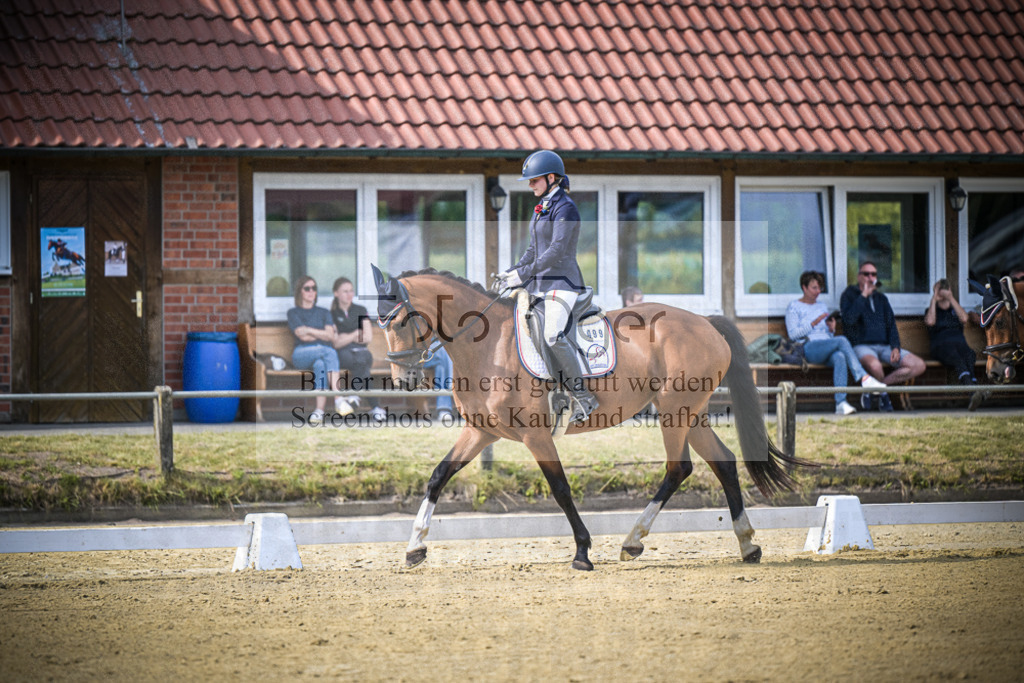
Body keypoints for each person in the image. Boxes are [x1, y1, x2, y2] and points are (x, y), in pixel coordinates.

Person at [494, 150, 598, 424]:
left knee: (552, 334)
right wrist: (513, 272)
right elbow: (533, 249)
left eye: (533, 180)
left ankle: (583, 397)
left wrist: (524, 275)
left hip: (563, 283)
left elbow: (555, 251)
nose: (530, 185)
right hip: (541, 285)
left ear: (552, 178)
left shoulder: (566, 207)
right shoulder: (543, 207)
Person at [786, 271, 886, 415]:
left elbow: (825, 333)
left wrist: (831, 330)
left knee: (840, 356)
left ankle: (841, 403)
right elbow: (793, 335)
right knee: (842, 340)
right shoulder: (794, 307)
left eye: (820, 288)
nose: (818, 291)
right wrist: (813, 323)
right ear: (804, 287)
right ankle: (864, 378)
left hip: (826, 346)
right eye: (814, 288)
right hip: (808, 348)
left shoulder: (821, 306)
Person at [840, 260, 926, 412]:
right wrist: (864, 296)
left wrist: (895, 347)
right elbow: (849, 319)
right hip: (862, 345)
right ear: (859, 276)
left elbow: (891, 324)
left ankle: (876, 389)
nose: (870, 277)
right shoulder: (849, 295)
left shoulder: (881, 299)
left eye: (873, 274)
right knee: (875, 366)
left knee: (918, 365)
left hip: (885, 346)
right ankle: (883, 398)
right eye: (866, 274)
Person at [330, 277, 386, 421]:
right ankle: (372, 406)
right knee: (363, 365)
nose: (349, 294)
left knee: (363, 360)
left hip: (361, 352)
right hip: (343, 354)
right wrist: (355, 333)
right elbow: (335, 343)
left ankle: (356, 396)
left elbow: (367, 337)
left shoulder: (361, 310)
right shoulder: (332, 314)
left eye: (351, 291)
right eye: (345, 291)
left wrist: (345, 336)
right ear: (336, 293)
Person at [287, 276, 341, 426]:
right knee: (329, 352)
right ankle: (339, 398)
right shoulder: (293, 313)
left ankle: (319, 411)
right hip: (301, 354)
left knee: (320, 365)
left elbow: (330, 336)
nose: (311, 291)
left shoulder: (324, 312)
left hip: (319, 355)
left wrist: (309, 330)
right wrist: (321, 334)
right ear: (300, 292)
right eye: (307, 288)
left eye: (314, 288)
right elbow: (301, 336)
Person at [924, 278, 983, 409]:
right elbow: (930, 322)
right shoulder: (931, 309)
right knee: (957, 358)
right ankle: (974, 391)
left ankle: (974, 391)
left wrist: (951, 298)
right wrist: (934, 300)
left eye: (945, 289)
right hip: (940, 347)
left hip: (959, 345)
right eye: (940, 290)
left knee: (970, 354)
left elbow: (964, 318)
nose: (943, 293)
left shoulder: (955, 308)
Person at [421, 345, 455, 422]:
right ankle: (444, 406)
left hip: (440, 348)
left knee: (441, 363)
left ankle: (444, 407)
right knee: (443, 352)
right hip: (421, 351)